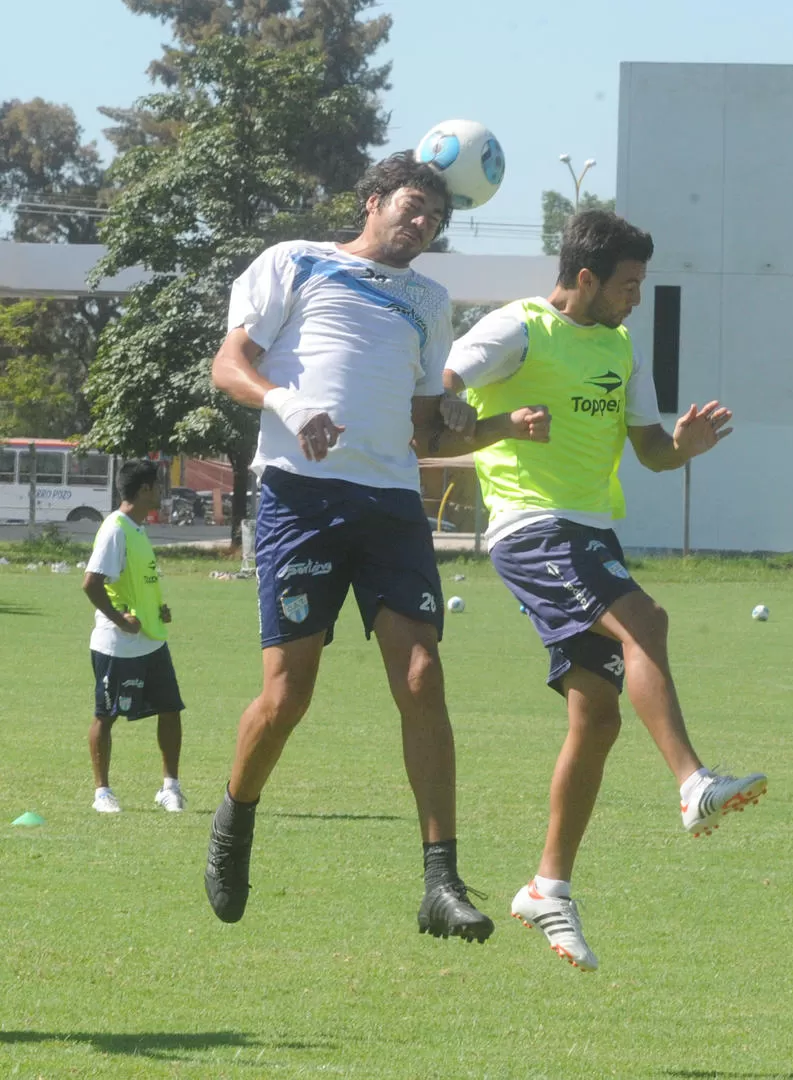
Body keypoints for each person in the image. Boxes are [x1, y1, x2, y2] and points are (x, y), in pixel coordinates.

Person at [204, 150, 550, 941]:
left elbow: (428, 429)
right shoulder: (294, 262)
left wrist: (479, 423)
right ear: (372, 202)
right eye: (412, 205)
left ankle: (440, 881)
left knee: (423, 676)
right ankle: (234, 820)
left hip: (391, 501)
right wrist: (287, 406)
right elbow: (229, 365)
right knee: (287, 696)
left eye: (434, 215)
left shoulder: (430, 300)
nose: (422, 222)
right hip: (301, 496)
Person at [444, 210, 767, 970]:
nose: (635, 299)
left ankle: (547, 888)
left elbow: (649, 449)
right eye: (626, 285)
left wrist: (680, 448)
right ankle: (692, 784)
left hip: (588, 532)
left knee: (596, 717)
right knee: (645, 621)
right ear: (584, 278)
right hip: (532, 527)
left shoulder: (620, 345)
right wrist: (478, 417)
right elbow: (444, 384)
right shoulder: (517, 328)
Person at [82, 459, 186, 814]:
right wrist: (119, 620)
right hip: (117, 643)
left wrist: (159, 609)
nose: (160, 493)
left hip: (152, 639)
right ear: (144, 490)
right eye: (157, 487)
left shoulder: (138, 529)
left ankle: (170, 788)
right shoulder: (115, 529)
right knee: (106, 715)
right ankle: (102, 794)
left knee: (170, 709)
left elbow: (137, 583)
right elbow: (91, 583)